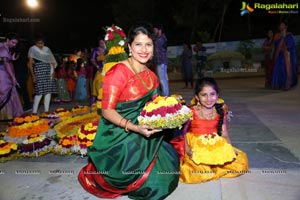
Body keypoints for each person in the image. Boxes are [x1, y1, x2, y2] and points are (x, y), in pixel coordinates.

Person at [78, 24, 179, 199]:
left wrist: (171, 105)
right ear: (129, 47)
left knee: (170, 171)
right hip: (120, 133)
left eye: (149, 44)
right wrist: (135, 128)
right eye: (138, 44)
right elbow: (107, 111)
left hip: (145, 128)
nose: (144, 50)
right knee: (155, 185)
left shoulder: (151, 75)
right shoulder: (118, 72)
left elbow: (154, 105)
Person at [179, 77, 248, 183]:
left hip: (215, 143)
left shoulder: (220, 111)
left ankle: (215, 166)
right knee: (199, 171)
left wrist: (228, 148)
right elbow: (181, 134)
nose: (208, 99)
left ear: (217, 95)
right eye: (204, 95)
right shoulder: (190, 112)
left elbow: (224, 133)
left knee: (240, 164)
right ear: (197, 97)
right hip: (195, 144)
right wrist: (187, 151)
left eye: (212, 94)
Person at [28, 35, 57, 114]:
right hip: (39, 70)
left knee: (48, 91)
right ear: (36, 43)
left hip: (48, 70)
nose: (40, 45)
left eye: (42, 43)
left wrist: (53, 72)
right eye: (39, 43)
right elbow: (30, 63)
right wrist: (33, 75)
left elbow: (52, 61)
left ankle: (46, 111)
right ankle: (34, 111)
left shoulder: (47, 49)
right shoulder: (32, 49)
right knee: (39, 92)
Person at [0, 33, 23, 120]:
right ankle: (6, 116)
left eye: (15, 44)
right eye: (13, 42)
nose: (14, 45)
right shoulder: (3, 50)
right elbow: (6, 65)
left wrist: (11, 59)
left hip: (4, 74)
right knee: (6, 94)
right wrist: (13, 78)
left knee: (10, 93)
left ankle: (9, 115)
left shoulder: (3, 48)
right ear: (7, 40)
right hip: (3, 75)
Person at [271, 20, 298, 90]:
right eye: (280, 25)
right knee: (278, 70)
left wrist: (285, 37)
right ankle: (279, 85)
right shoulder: (277, 36)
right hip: (279, 55)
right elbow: (275, 46)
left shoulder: (289, 35)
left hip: (286, 56)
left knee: (286, 70)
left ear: (286, 26)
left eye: (283, 25)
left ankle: (287, 85)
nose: (281, 26)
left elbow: (292, 46)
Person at [153, 24, 169, 96]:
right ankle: (165, 94)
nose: (154, 32)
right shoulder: (158, 38)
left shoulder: (161, 39)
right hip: (159, 62)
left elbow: (156, 43)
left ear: (159, 30)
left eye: (155, 30)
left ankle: (165, 95)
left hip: (161, 62)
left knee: (162, 80)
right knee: (163, 80)